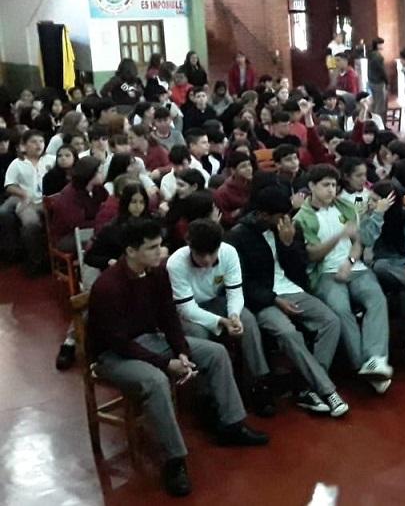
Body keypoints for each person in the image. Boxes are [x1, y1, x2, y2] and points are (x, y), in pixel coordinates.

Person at [87, 217, 267, 497]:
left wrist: (181, 350)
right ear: (131, 251)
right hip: (114, 355)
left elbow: (169, 318)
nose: (161, 252)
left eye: (160, 245)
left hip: (149, 341)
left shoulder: (157, 274)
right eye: (152, 247)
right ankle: (174, 461)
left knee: (216, 352)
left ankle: (231, 424)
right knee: (157, 380)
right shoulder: (108, 286)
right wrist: (165, 362)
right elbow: (117, 342)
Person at [226, 184, 349, 417]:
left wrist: (288, 244)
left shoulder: (290, 228)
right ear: (263, 215)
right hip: (263, 299)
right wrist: (274, 300)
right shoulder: (238, 236)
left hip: (290, 289)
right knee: (288, 333)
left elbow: (300, 270)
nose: (286, 219)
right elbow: (241, 283)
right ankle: (327, 390)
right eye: (280, 216)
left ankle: (306, 387)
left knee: (331, 320)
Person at [293, 165, 393, 395]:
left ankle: (375, 359)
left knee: (376, 298)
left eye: (334, 185)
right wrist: (338, 235)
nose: (331, 190)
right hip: (325, 273)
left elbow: (359, 242)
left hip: (354, 266)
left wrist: (349, 262)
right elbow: (311, 255)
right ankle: (363, 365)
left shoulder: (346, 207)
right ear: (311, 187)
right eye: (325, 185)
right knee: (341, 309)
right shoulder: (302, 218)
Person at [168, 218, 275, 416]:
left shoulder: (229, 252)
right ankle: (207, 394)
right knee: (197, 333)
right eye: (201, 255)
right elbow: (187, 308)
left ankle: (258, 382)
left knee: (248, 321)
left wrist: (234, 315)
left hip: (217, 301)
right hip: (189, 310)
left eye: (212, 253)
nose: (208, 260)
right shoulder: (176, 263)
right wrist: (220, 322)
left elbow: (235, 291)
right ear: (190, 246)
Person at [360, 180, 405, 362]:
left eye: (375, 200)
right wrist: (376, 215)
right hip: (380, 266)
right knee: (382, 266)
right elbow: (366, 244)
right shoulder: (370, 216)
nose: (370, 203)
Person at [0, 130, 54, 272]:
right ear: (24, 146)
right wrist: (23, 194)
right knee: (30, 224)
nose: (38, 145)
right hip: (28, 201)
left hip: (50, 199)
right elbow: (9, 185)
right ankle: (36, 261)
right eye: (34, 142)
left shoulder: (51, 160)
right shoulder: (17, 163)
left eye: (41, 141)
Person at [48, 156, 108, 254]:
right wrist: (101, 223)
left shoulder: (98, 189)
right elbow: (77, 224)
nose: (103, 174)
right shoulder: (69, 195)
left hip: (93, 229)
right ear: (90, 174)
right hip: (68, 236)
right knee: (104, 241)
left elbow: (107, 206)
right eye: (100, 172)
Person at [213, 151, 253, 227]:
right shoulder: (223, 193)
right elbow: (223, 218)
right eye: (243, 166)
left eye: (249, 165)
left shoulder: (255, 184)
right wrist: (238, 212)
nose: (249, 169)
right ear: (233, 170)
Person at [367, 38, 388, 119]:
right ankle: (379, 124)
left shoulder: (370, 54)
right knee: (380, 106)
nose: (383, 46)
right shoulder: (378, 56)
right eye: (382, 44)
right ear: (378, 45)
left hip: (371, 81)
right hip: (378, 83)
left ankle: (374, 121)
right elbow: (382, 71)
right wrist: (387, 81)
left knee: (374, 104)